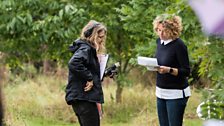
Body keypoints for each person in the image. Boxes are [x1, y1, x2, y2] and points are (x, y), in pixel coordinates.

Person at [65, 20, 107, 126]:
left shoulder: (86, 49)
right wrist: (89, 78)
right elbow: (74, 63)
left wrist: (105, 73)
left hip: (82, 97)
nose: (102, 40)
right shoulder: (86, 48)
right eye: (99, 37)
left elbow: (89, 68)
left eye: (103, 37)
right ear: (91, 35)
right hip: (83, 97)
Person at [153, 14, 191, 126]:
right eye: (158, 30)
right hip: (160, 92)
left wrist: (169, 70)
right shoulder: (159, 42)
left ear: (173, 30)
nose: (160, 34)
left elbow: (186, 71)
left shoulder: (179, 45)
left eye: (164, 31)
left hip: (176, 94)